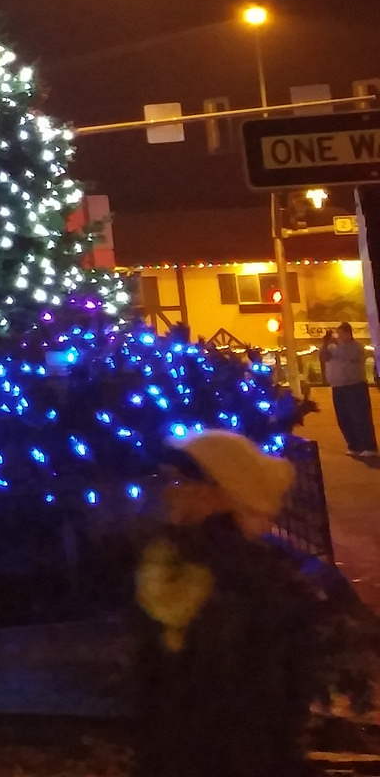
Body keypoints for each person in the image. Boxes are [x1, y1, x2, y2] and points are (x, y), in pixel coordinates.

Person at [131, 429, 374, 777]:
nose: (169, 491)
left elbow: (264, 716)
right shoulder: (168, 564)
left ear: (223, 493)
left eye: (182, 480)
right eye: (167, 479)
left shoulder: (257, 587)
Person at [321, 323, 377, 455]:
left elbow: (346, 355)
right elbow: (324, 357)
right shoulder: (332, 348)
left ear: (349, 334)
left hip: (354, 386)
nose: (339, 337)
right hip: (338, 387)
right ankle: (354, 445)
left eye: (342, 334)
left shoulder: (356, 347)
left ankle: (369, 446)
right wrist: (325, 343)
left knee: (359, 416)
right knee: (344, 418)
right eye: (338, 334)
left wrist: (336, 344)